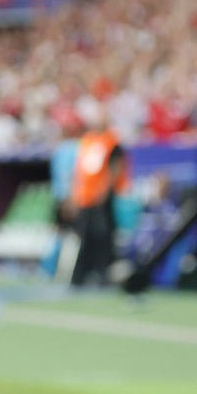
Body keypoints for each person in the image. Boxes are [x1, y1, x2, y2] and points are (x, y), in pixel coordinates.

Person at [70, 118, 127, 287]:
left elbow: (116, 166)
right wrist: (75, 194)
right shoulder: (87, 141)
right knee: (86, 238)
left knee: (103, 237)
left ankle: (103, 275)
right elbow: (80, 170)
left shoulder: (111, 141)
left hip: (101, 200)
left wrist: (104, 190)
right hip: (85, 198)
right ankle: (82, 276)